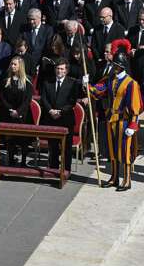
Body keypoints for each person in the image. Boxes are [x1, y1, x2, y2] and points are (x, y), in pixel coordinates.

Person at [86, 40, 143, 190]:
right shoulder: (110, 79)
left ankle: (127, 180)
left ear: (121, 66)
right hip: (111, 119)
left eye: (116, 65)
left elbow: (135, 107)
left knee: (124, 151)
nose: (114, 67)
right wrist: (88, 86)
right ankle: (114, 178)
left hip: (125, 122)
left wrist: (133, 125)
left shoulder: (131, 83)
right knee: (112, 151)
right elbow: (99, 90)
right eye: (114, 65)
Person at [40, 57, 79, 172]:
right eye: (57, 68)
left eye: (62, 69)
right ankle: (53, 169)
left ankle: (66, 170)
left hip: (66, 119)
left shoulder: (72, 83)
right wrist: (50, 110)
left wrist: (60, 111)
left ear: (66, 70)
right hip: (51, 118)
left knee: (66, 147)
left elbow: (72, 101)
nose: (59, 71)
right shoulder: (48, 82)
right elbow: (44, 99)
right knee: (53, 146)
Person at [0, 55, 34, 166]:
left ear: (20, 66)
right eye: (11, 64)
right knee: (10, 139)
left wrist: (18, 112)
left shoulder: (27, 81)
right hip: (9, 114)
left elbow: (28, 99)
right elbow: (3, 98)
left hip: (23, 115)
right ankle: (10, 159)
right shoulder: (6, 80)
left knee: (23, 140)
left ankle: (23, 161)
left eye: (15, 64)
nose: (12, 66)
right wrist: (10, 110)